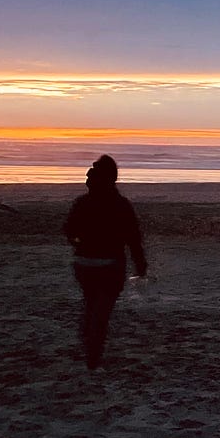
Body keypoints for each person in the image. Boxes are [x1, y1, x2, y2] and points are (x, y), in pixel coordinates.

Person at [64, 155, 147, 370]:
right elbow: (133, 236)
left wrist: (79, 243)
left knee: (92, 304)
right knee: (101, 309)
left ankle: (90, 346)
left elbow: (68, 230)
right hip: (109, 263)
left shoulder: (83, 203)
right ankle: (93, 352)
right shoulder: (120, 204)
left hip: (85, 262)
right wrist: (140, 264)